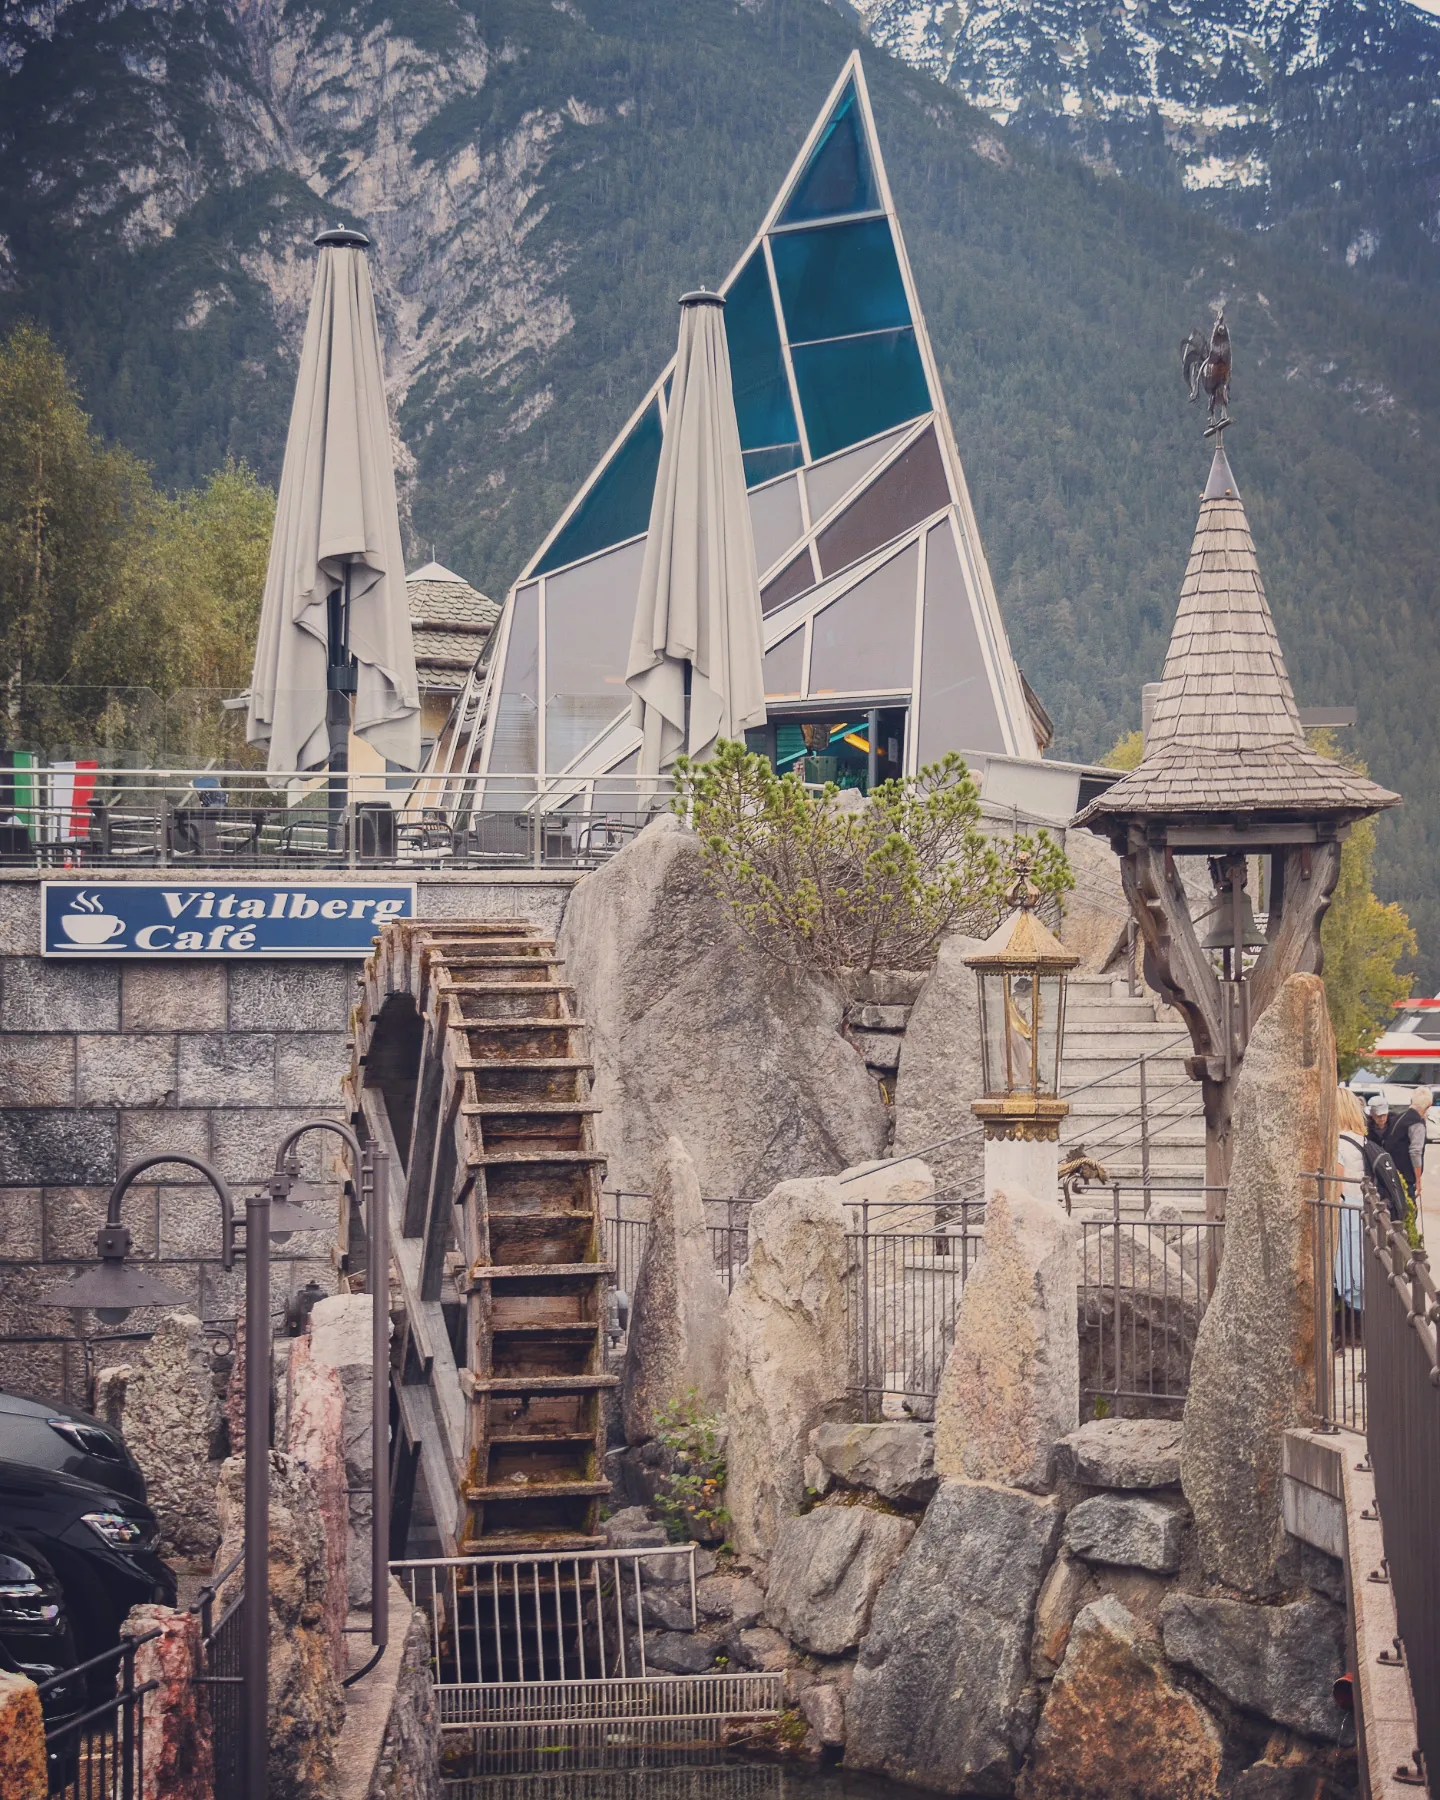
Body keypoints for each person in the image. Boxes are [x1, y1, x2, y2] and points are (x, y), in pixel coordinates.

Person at [1335, 1087, 1367, 1316]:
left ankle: (1348, 1325)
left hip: (1346, 1211)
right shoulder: (1362, 1140)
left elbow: (1336, 1186)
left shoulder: (1337, 1143)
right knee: (1360, 1267)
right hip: (1363, 1208)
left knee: (1347, 1268)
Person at [1384, 1086, 1431, 1218]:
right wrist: (1418, 1179)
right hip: (1405, 1176)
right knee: (1408, 1213)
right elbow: (1415, 1152)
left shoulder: (1400, 1117)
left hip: (1390, 1171)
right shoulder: (1417, 1123)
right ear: (1428, 1107)